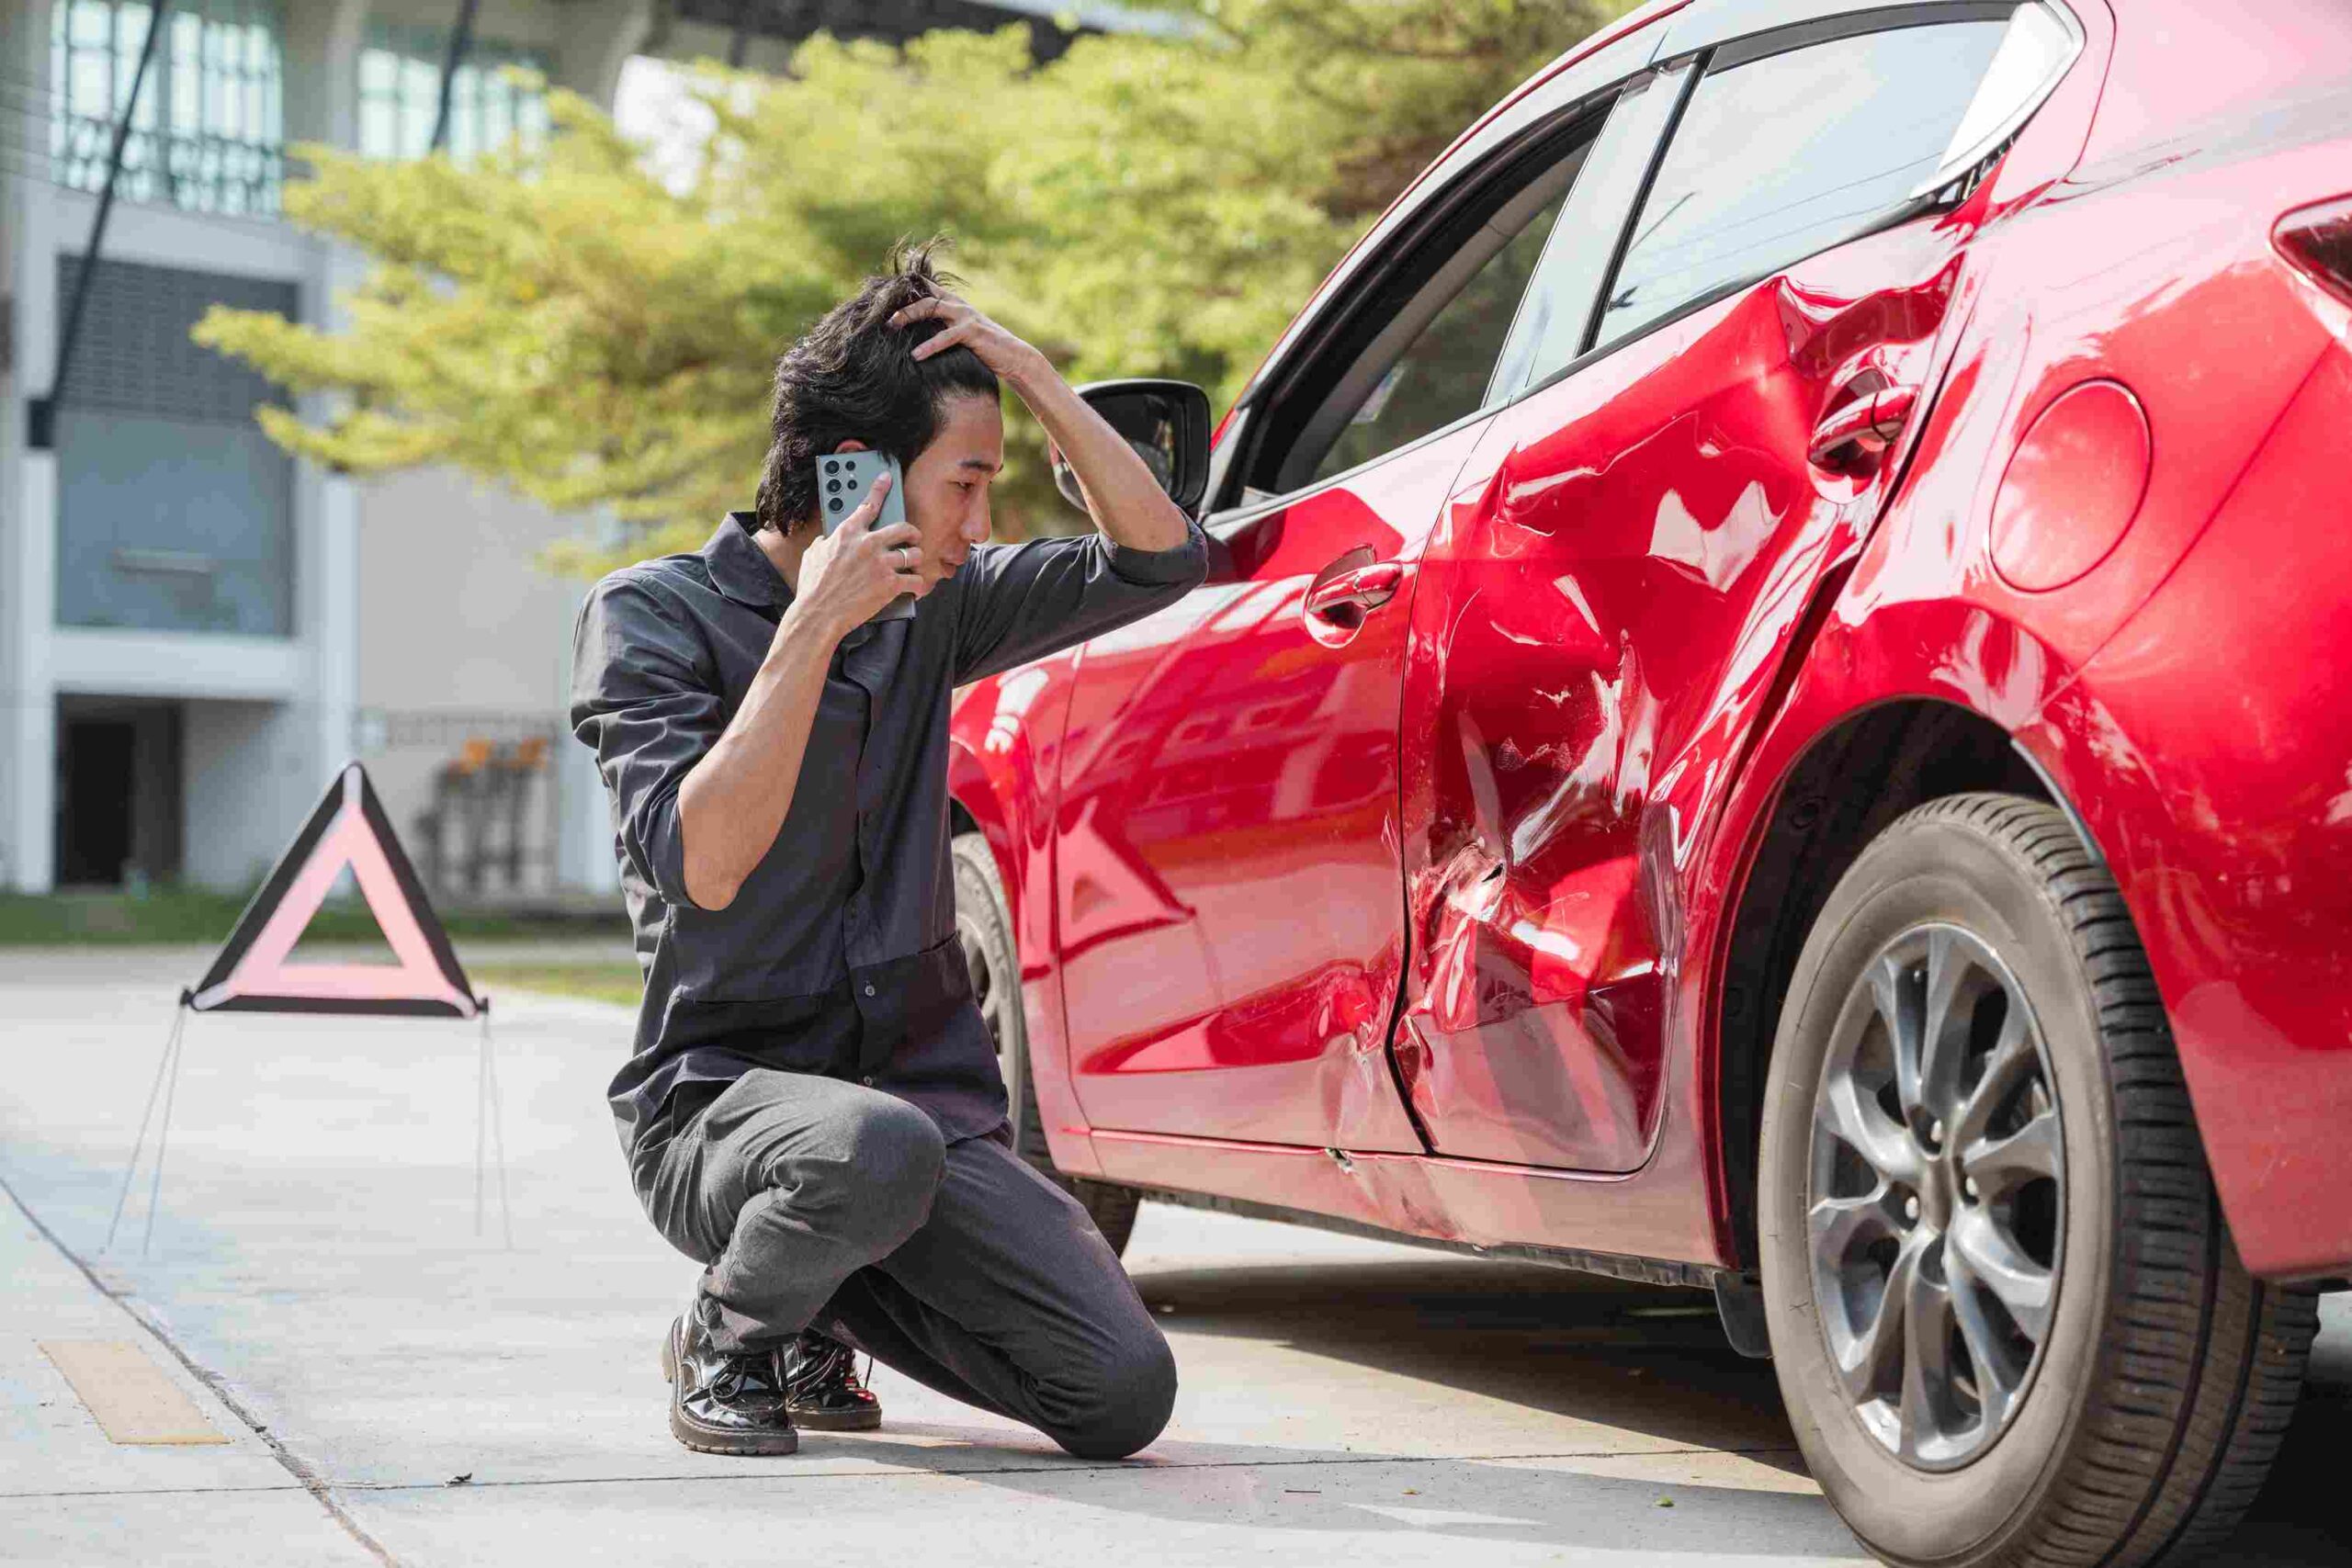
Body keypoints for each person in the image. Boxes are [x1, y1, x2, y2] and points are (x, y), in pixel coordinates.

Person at [569, 240, 1209, 1459]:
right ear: (854, 473)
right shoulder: (648, 619)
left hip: (918, 1118)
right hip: (719, 1117)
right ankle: (729, 1334)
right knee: (871, 1145)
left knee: (1121, 1392)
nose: (981, 524)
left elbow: (1161, 556)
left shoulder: (941, 607)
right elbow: (704, 867)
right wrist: (814, 623)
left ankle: (816, 1298)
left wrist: (1035, 381)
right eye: (965, 485)